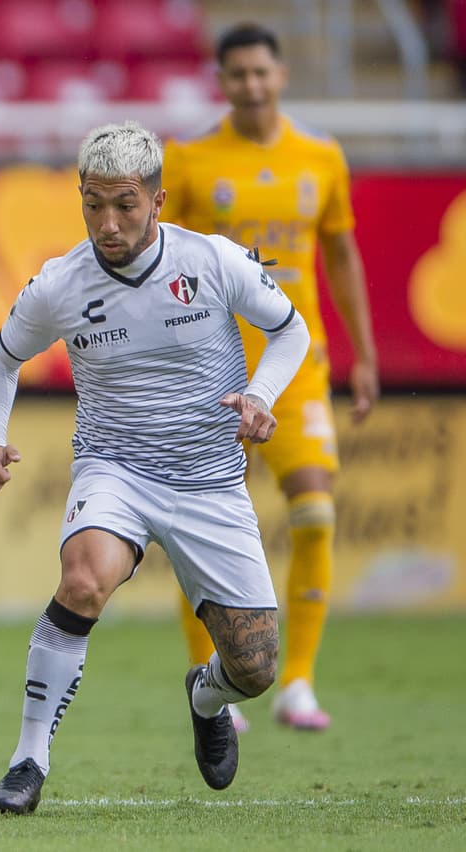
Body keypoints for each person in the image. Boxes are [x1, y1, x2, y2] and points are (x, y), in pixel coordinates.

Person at [0, 121, 310, 814]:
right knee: (83, 579)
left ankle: (204, 696)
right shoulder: (60, 283)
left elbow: (290, 328)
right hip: (115, 469)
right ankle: (27, 760)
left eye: (125, 204)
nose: (108, 221)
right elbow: (2, 357)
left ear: (158, 201)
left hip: (210, 477)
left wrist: (261, 396)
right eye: (93, 203)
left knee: (255, 669)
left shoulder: (212, 261)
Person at [163, 22, 378, 732]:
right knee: (199, 529)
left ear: (281, 74)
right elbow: (163, 265)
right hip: (210, 371)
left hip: (298, 370)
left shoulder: (321, 157)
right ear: (220, 82)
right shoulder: (189, 160)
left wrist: (365, 355)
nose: (251, 85)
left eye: (262, 72)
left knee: (316, 513)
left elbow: (341, 257)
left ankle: (297, 684)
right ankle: (213, 677)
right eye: (238, 75)